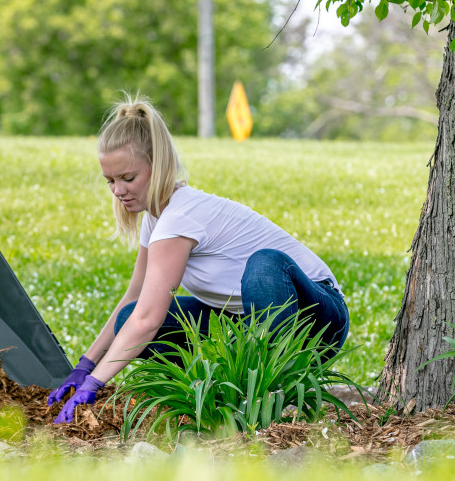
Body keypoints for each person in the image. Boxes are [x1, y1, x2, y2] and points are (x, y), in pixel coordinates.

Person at [49, 95, 349, 423]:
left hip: (316, 319)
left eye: (128, 178)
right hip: (249, 322)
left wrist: (95, 383)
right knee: (128, 318)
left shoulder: (181, 216)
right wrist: (84, 366)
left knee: (264, 264)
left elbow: (148, 319)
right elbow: (134, 301)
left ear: (158, 164)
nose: (118, 190)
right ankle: (204, 393)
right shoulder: (156, 220)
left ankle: (272, 395)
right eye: (111, 181)